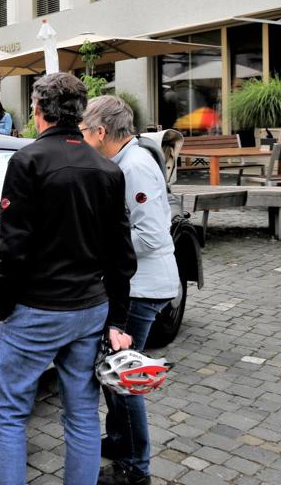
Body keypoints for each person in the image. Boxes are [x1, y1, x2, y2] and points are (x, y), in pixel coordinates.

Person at [0, 73, 136, 485]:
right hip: (90, 307)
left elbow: (11, 247)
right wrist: (118, 318)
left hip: (36, 306)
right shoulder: (107, 168)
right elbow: (121, 254)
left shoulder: (28, 161)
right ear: (79, 112)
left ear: (37, 111)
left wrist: (3, 305)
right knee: (83, 412)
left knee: (9, 411)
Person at [81, 96, 179, 485]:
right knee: (113, 370)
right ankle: (120, 439)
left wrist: (98, 248)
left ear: (102, 132)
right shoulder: (123, 162)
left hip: (144, 286)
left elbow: (152, 236)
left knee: (125, 377)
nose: (84, 138)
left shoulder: (135, 167)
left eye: (86, 132)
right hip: (135, 283)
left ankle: (136, 468)